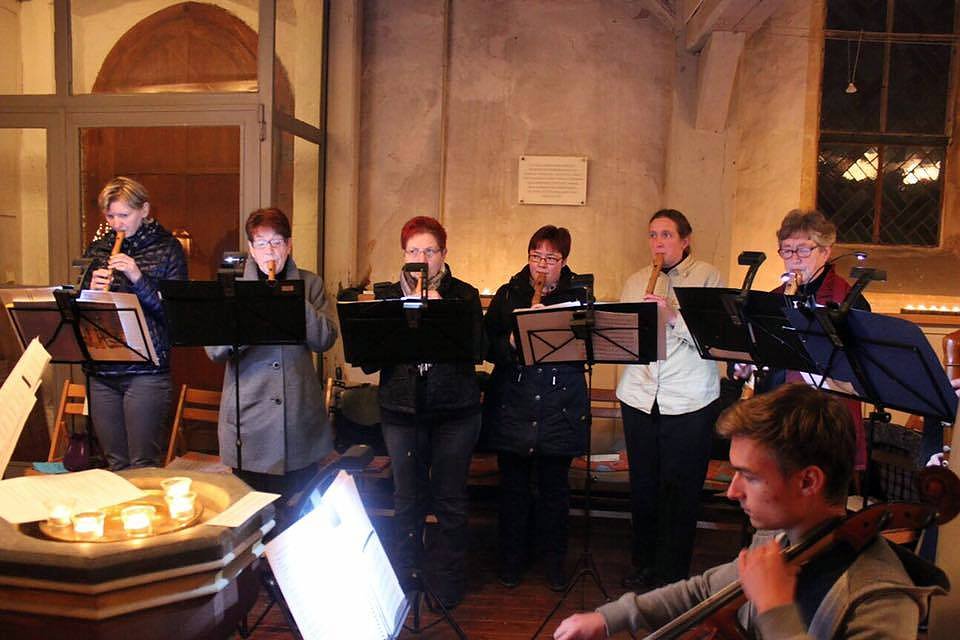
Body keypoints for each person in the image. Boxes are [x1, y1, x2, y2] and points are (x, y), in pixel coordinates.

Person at [554, 383, 948, 640]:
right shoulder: (780, 540)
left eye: (750, 476)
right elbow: (702, 590)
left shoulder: (880, 600)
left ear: (808, 481)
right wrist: (607, 619)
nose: (732, 491)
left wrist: (774, 607)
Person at [373, 215, 483, 609]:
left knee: (450, 500)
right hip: (401, 409)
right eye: (414, 250)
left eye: (430, 251)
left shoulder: (464, 295)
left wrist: (442, 314)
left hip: (455, 412)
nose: (422, 258)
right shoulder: (386, 295)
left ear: (443, 254)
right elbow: (370, 358)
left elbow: (478, 351)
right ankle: (406, 578)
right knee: (407, 499)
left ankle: (448, 580)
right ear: (404, 254)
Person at [616, 209, 722, 589]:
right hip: (640, 396)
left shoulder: (707, 277)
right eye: (653, 235)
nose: (658, 242)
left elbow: (713, 340)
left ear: (685, 240)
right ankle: (643, 563)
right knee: (644, 486)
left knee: (680, 490)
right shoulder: (634, 281)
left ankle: (672, 574)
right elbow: (624, 338)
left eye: (666, 235)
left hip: (689, 399)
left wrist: (672, 316)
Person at [206, 208, 338, 504]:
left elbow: (325, 339)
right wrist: (251, 309)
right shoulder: (232, 287)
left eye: (277, 242)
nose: (270, 251)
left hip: (299, 419)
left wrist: (293, 297)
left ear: (288, 246)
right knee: (251, 510)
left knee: (299, 509)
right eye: (262, 243)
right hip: (248, 420)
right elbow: (214, 350)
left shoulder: (311, 283)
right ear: (251, 249)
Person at [483, 225, 588, 591]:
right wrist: (513, 339)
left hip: (559, 405)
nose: (542, 265)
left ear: (564, 261)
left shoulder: (579, 295)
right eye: (536, 257)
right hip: (515, 402)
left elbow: (586, 351)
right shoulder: (508, 293)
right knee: (513, 489)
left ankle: (554, 563)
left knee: (554, 491)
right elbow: (485, 346)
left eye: (551, 258)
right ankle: (512, 560)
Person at [740, 210, 870, 473]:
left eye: (803, 250)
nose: (794, 259)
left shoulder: (849, 300)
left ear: (826, 251)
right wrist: (746, 364)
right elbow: (759, 351)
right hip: (777, 416)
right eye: (787, 251)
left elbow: (861, 368)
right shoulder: (775, 298)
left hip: (824, 419)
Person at [81, 176, 187, 470]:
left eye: (124, 215)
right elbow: (83, 312)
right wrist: (90, 289)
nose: (116, 224)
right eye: (110, 216)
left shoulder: (168, 249)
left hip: (146, 371)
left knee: (143, 465)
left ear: (144, 210)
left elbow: (174, 316)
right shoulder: (98, 250)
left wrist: (138, 277)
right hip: (102, 369)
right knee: (115, 463)